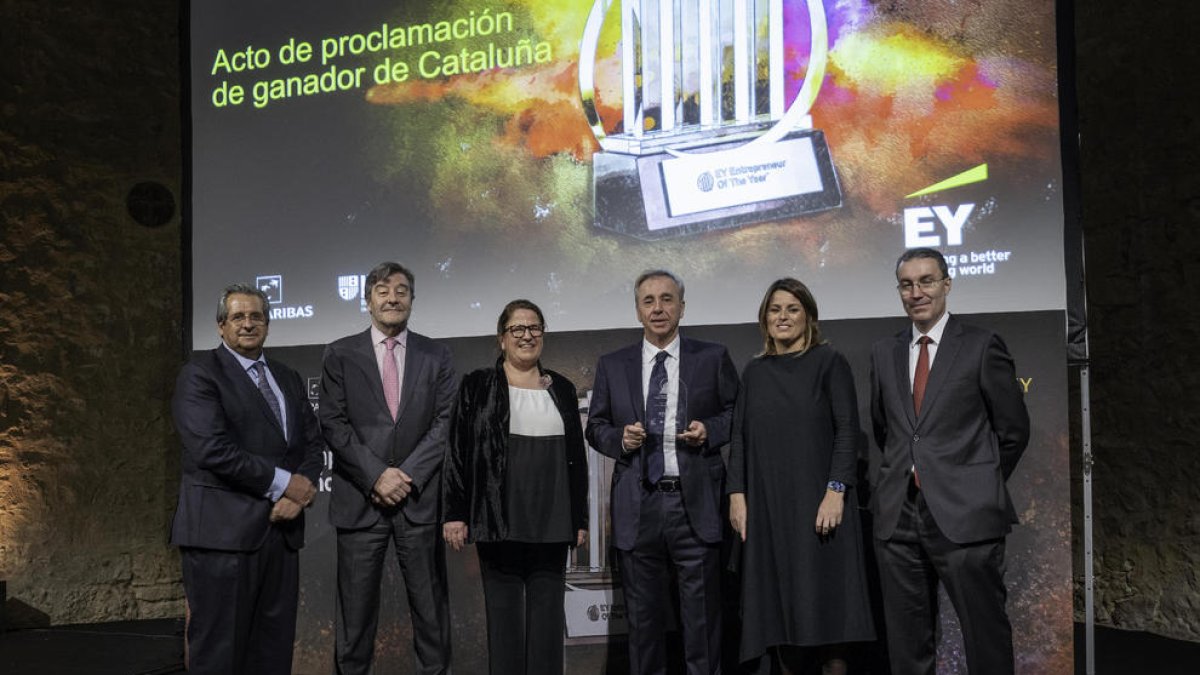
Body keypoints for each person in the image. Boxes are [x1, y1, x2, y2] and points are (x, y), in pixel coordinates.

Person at [870, 248, 1030, 675]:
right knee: (907, 642)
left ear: (947, 284)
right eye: (907, 284)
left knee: (985, 636)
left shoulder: (980, 345)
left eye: (926, 281)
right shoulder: (885, 353)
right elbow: (886, 430)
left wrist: (974, 485)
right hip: (899, 517)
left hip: (967, 517)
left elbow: (1013, 431)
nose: (916, 292)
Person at [586, 270, 739, 675]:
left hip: (696, 505)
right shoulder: (612, 365)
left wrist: (710, 430)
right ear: (637, 310)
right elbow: (595, 426)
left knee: (702, 623)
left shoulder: (712, 357)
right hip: (639, 506)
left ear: (682, 307)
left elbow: (735, 414)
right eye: (649, 300)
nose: (658, 308)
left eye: (667, 299)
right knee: (643, 625)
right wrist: (620, 438)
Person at [170, 283, 324, 675]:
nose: (248, 323)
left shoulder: (286, 377)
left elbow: (311, 441)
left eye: (256, 316)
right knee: (219, 654)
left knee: (272, 653)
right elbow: (211, 449)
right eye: (238, 316)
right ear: (221, 326)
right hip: (221, 539)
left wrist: (300, 491)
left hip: (281, 535)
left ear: (268, 325)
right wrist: (283, 484)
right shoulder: (200, 374)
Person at [727, 278, 876, 675]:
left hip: (820, 509)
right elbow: (738, 437)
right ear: (764, 318)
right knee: (779, 619)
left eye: (792, 309)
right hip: (770, 512)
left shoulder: (830, 362)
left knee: (829, 623)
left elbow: (847, 429)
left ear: (808, 315)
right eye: (775, 309)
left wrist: (836, 490)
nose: (783, 317)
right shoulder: (755, 372)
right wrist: (737, 494)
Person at [319, 261, 457, 675]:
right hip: (362, 503)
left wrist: (406, 474)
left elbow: (445, 422)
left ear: (412, 299)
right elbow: (332, 422)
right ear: (367, 300)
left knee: (432, 615)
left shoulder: (437, 354)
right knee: (355, 621)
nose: (392, 297)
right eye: (382, 289)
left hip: (418, 503)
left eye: (401, 290)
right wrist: (377, 475)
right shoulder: (340, 353)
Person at [442, 299, 589, 675]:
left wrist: (580, 517)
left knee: (547, 627)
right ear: (501, 339)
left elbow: (576, 458)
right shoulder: (477, 385)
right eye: (517, 329)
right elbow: (457, 450)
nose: (527, 336)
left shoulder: (564, 389)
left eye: (535, 328)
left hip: (553, 524)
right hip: (499, 522)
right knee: (504, 624)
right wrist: (455, 513)